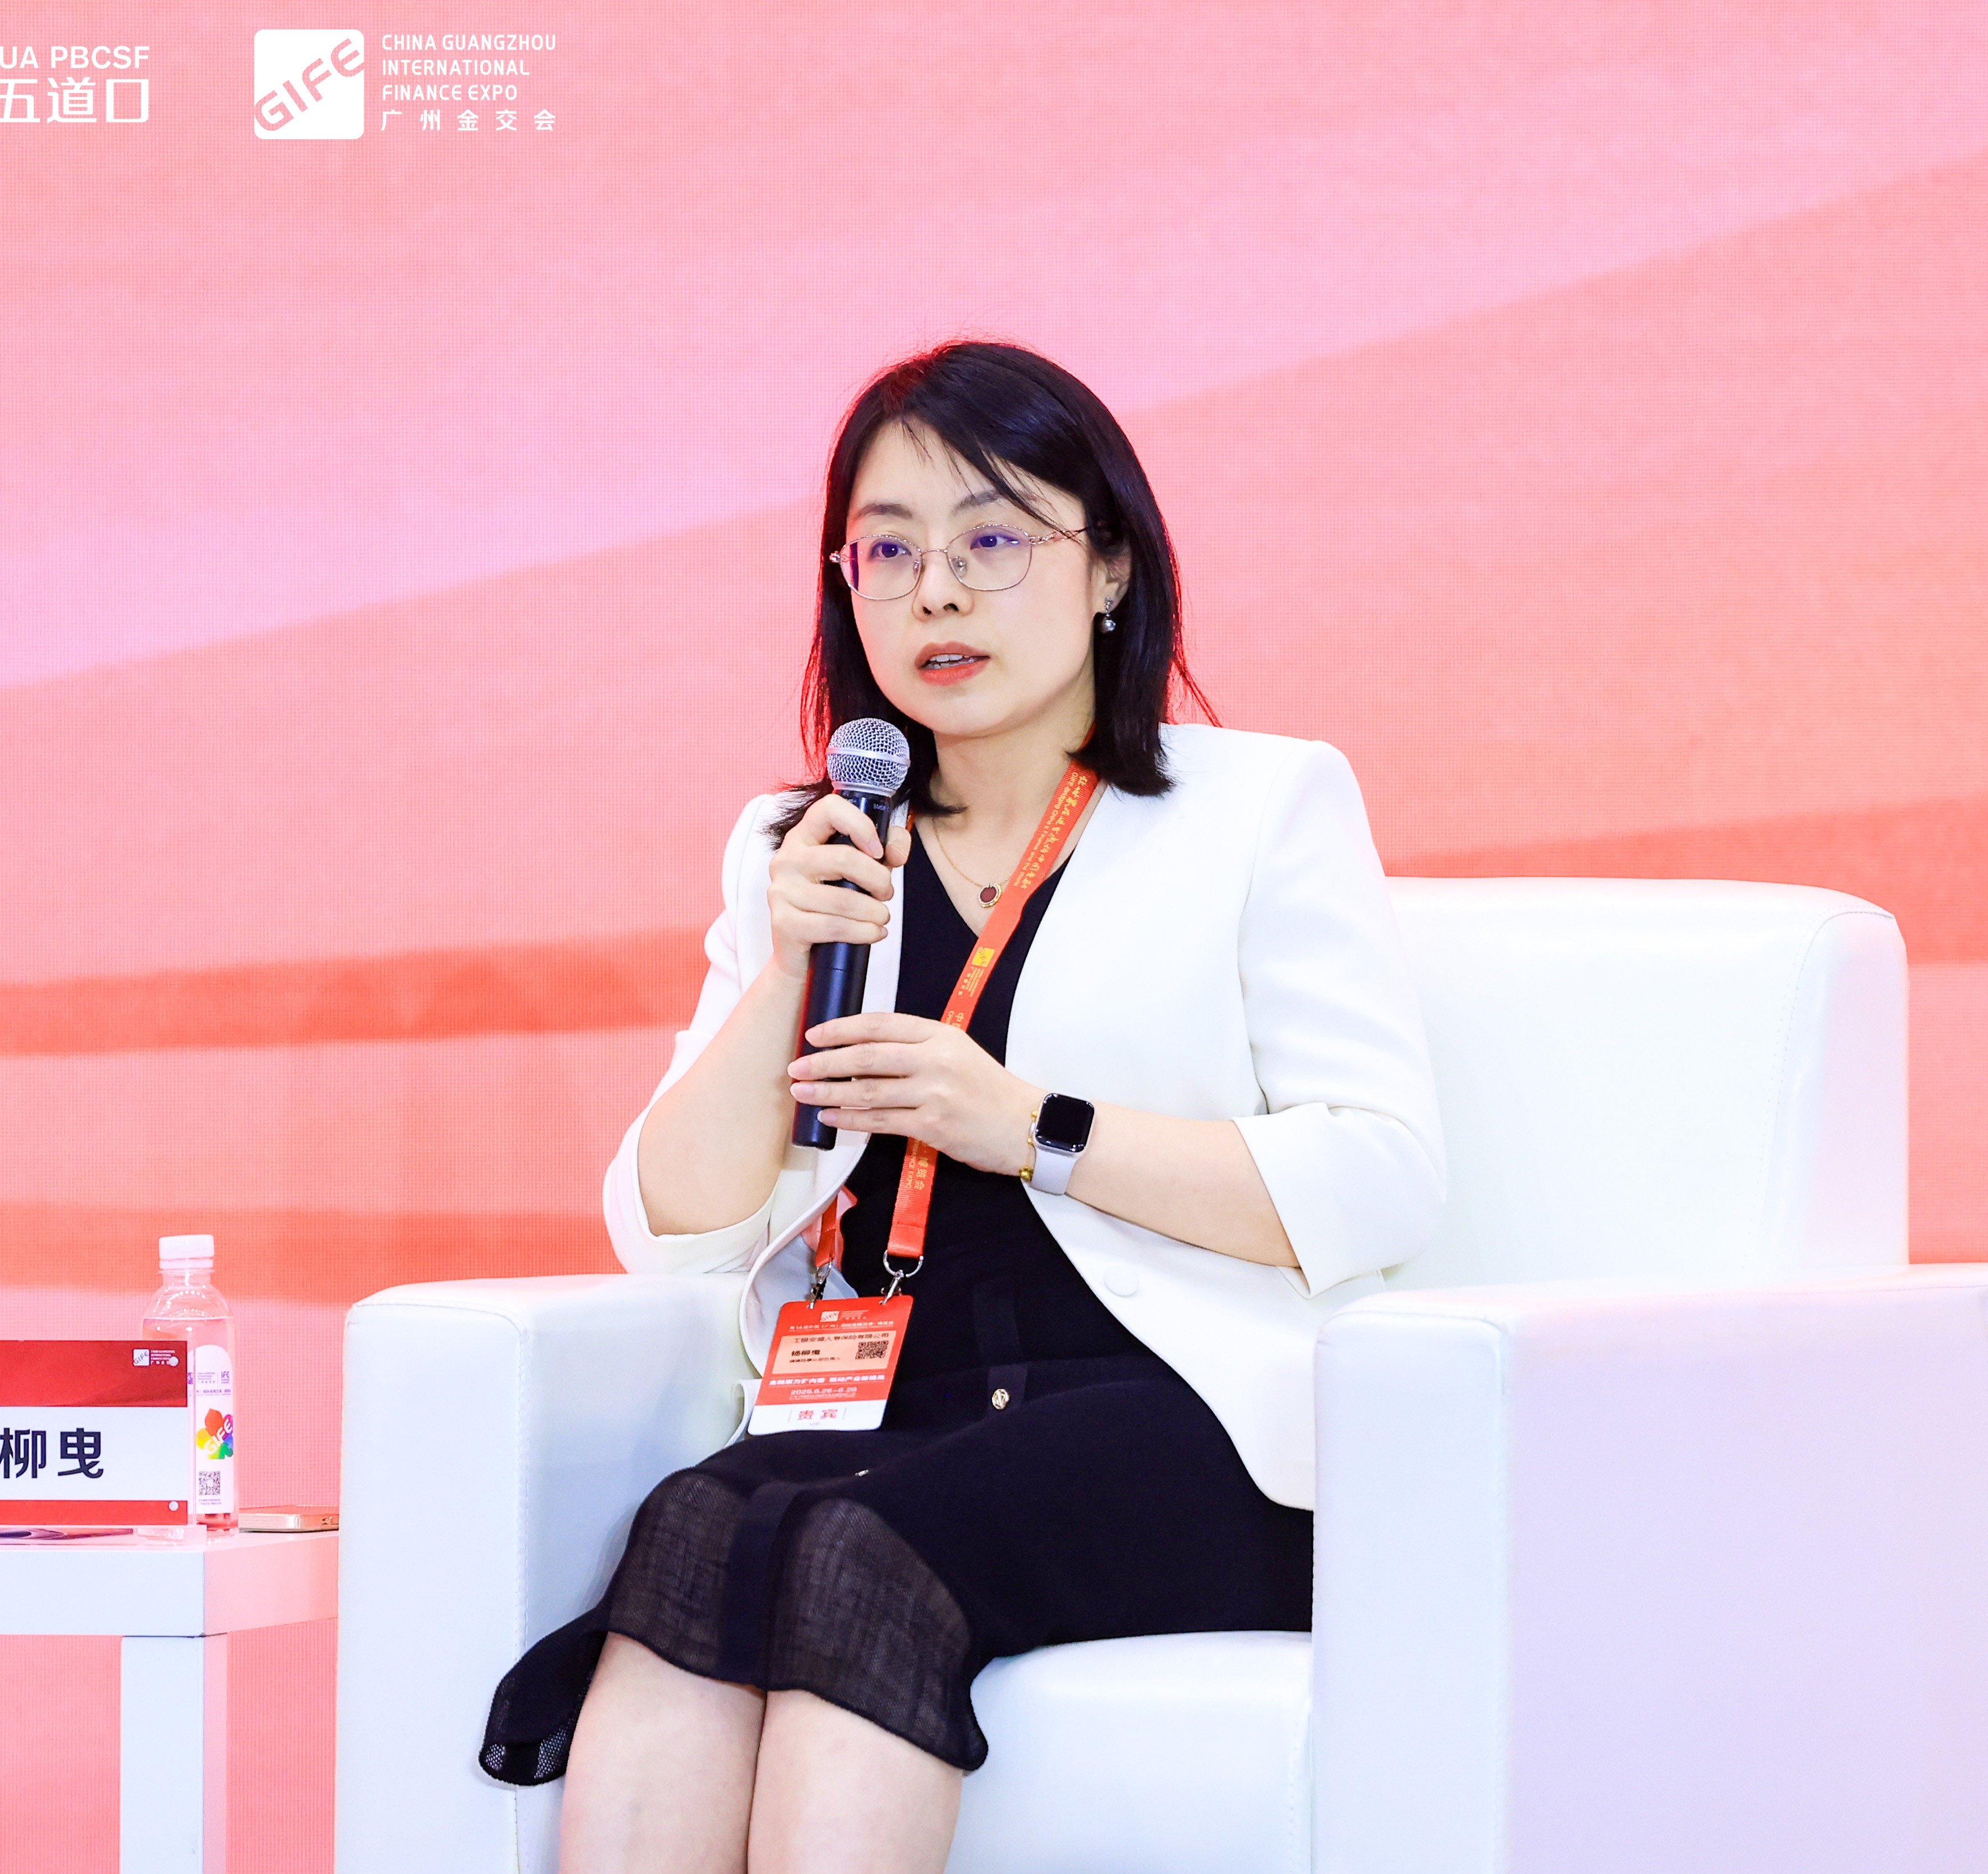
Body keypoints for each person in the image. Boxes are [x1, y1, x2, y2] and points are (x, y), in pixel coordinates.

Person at [479, 340, 1445, 1874]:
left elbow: (1381, 1177)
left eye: (993, 540)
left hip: (1181, 1412)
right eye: (889, 550)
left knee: (859, 1551)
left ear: (1109, 566)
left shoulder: (1260, 808)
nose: (936, 592)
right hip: (891, 1400)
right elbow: (672, 1228)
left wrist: (1032, 1127)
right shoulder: (803, 843)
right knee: (690, 1528)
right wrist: (783, 965)